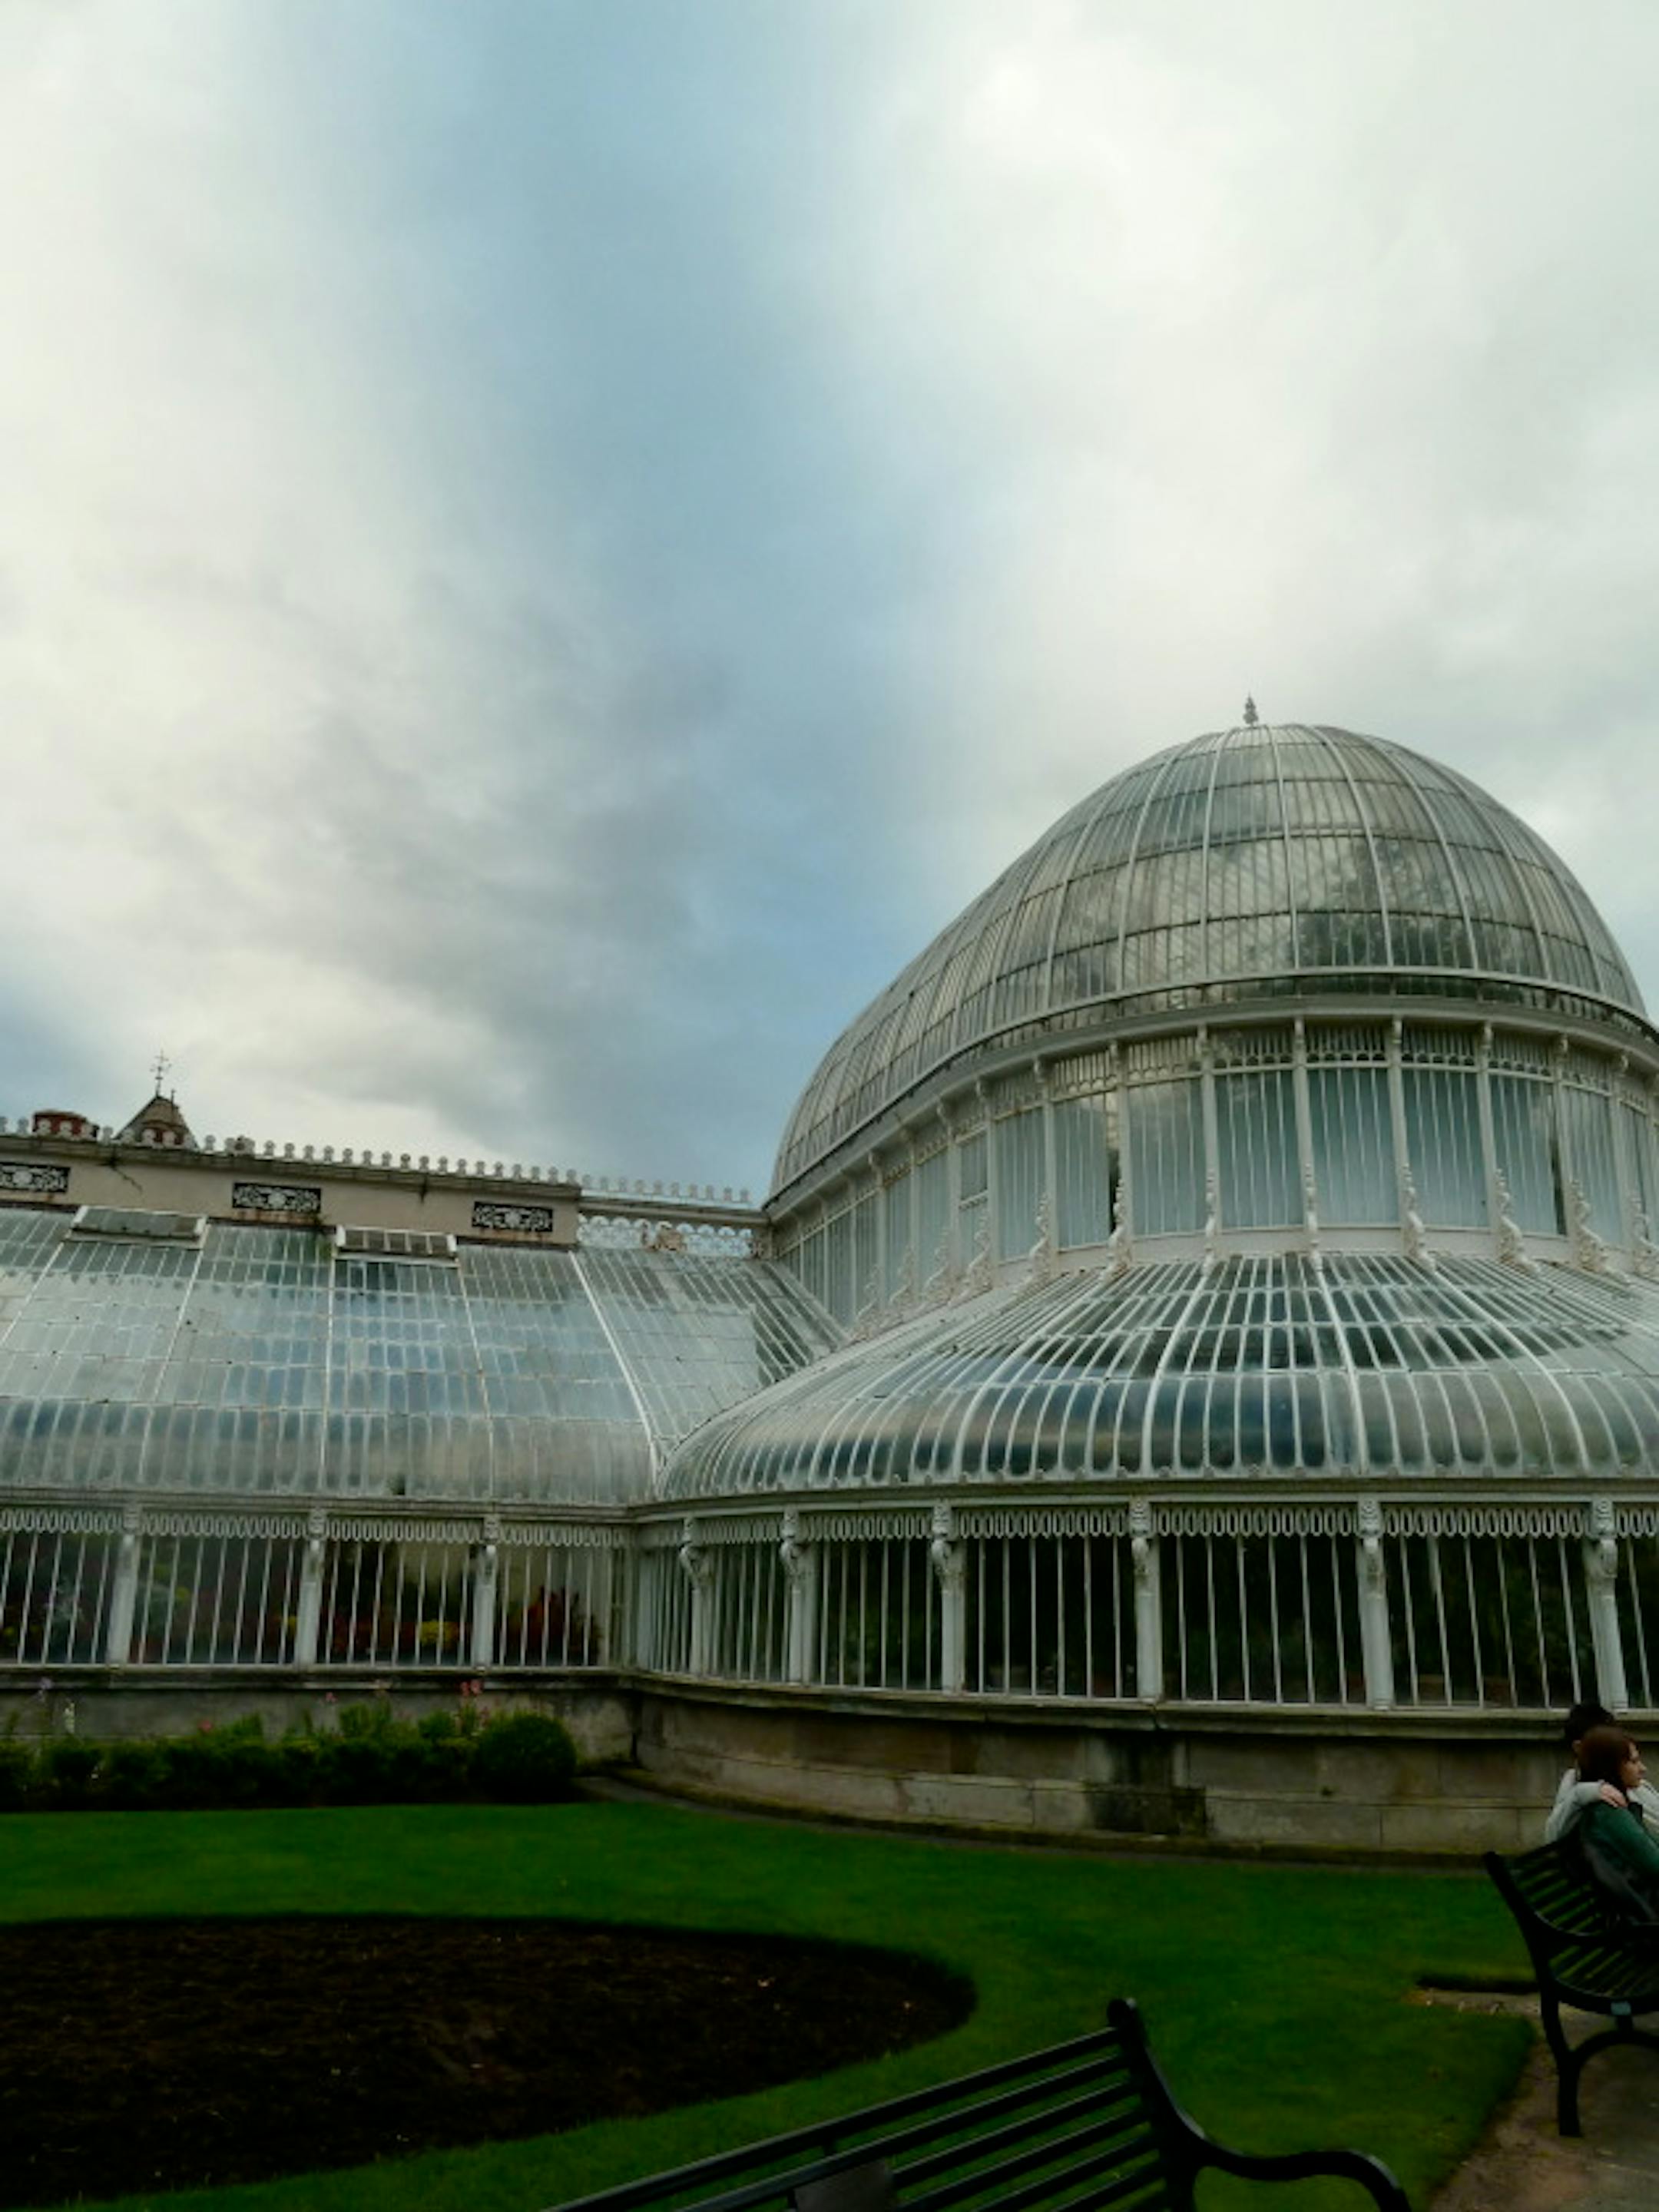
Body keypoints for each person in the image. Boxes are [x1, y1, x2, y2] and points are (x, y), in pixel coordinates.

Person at [1567, 1727, 1659, 1924]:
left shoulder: (1611, 1807)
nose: (1643, 1769)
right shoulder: (1610, 1813)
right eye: (1633, 1762)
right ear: (1611, 1767)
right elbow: (1654, 1865)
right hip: (1644, 1920)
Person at [1545, 1699, 1659, 1843]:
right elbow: (1553, 1835)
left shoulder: (1635, 1785)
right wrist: (1583, 1793)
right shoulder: (1581, 1790)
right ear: (1579, 1747)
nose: (1642, 1769)